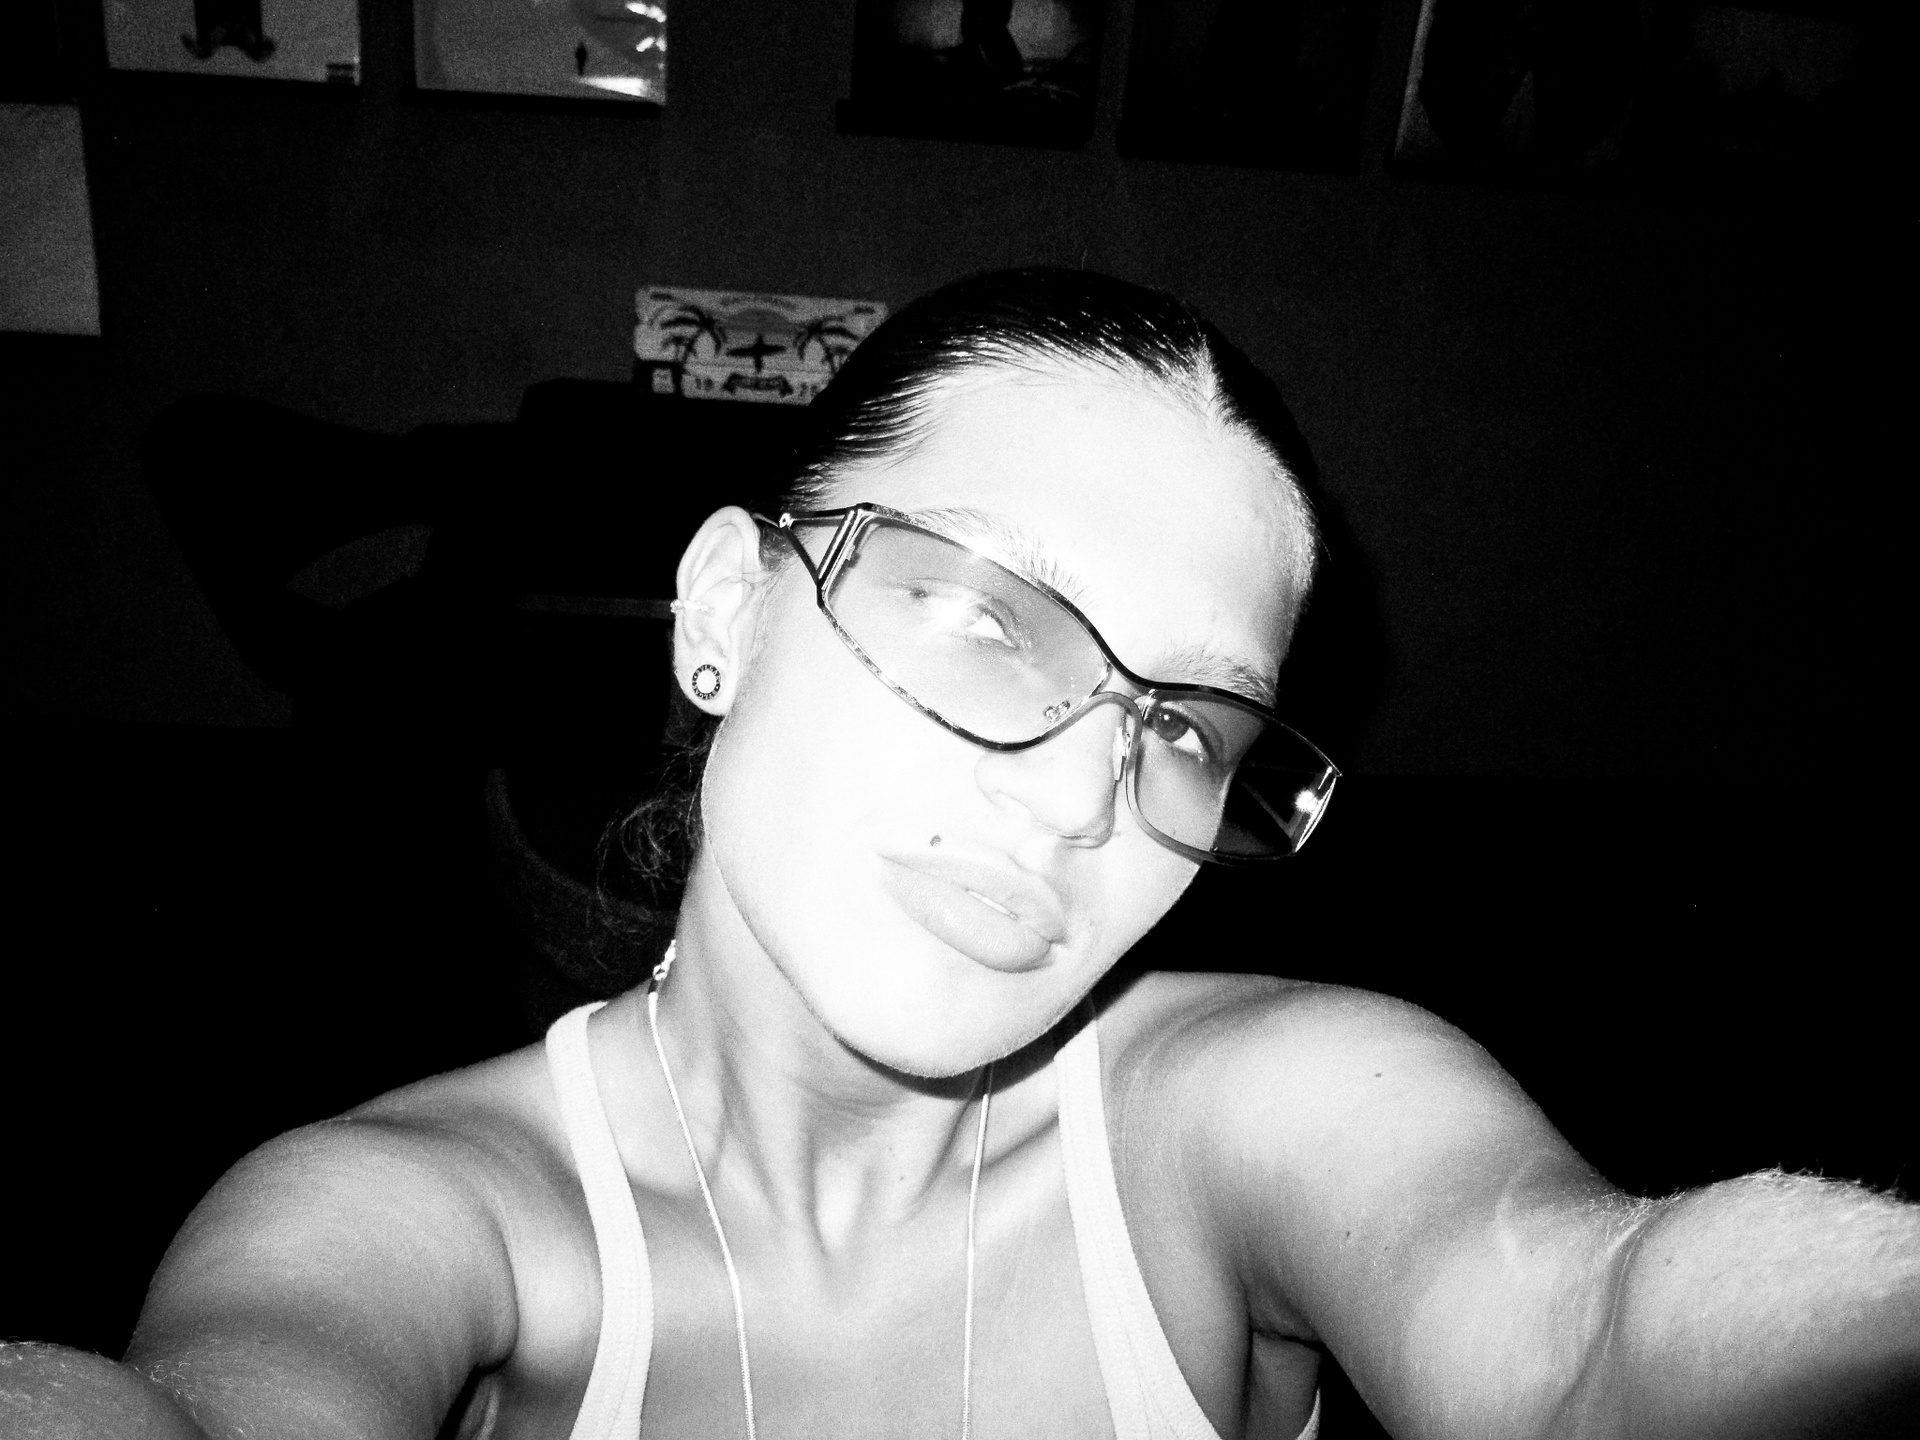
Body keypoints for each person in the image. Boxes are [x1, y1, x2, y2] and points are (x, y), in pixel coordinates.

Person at [4, 268, 1915, 1440]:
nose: (1083, 798)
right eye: (989, 616)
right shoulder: (412, 1219)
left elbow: (1590, 1342)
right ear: (728, 612)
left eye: (1187, 728)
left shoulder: (1255, 1114)